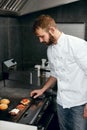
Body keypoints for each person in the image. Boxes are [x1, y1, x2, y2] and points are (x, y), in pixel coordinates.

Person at [30, 14, 87, 130]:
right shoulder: (50, 50)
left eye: (42, 36)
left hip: (79, 104)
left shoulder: (77, 45)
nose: (40, 40)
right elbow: (54, 74)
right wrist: (42, 90)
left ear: (51, 30)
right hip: (61, 102)